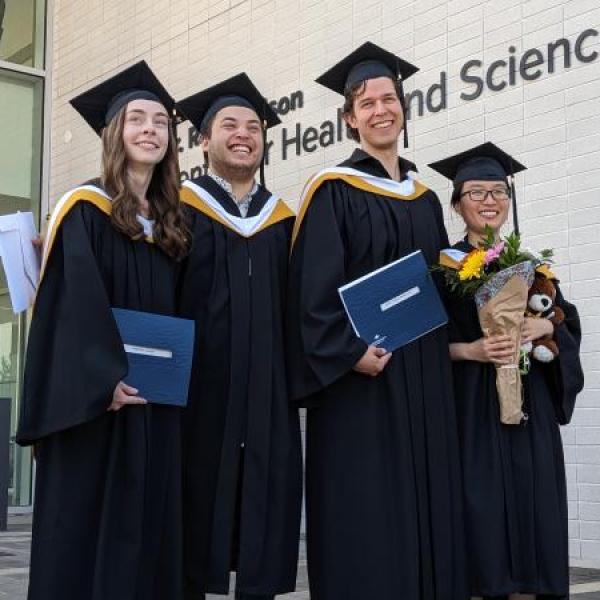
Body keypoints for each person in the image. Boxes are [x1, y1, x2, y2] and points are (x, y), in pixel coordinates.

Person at [286, 42, 468, 600]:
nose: (381, 110)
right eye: (366, 103)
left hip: (425, 377)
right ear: (349, 119)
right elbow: (310, 296)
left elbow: (438, 289)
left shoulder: (425, 198)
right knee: (369, 503)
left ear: (404, 110)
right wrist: (349, 352)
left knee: (428, 496)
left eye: (389, 99)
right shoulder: (331, 192)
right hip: (365, 379)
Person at [16, 61, 190, 600]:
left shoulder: (168, 223)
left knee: (147, 533)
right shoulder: (83, 209)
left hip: (153, 403)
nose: (149, 130)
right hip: (98, 407)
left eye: (160, 122)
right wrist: (102, 381)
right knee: (91, 534)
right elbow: (71, 309)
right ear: (114, 133)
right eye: (137, 119)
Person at [429, 142, 584, 600]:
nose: (489, 200)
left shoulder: (532, 268)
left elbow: (566, 325)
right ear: (457, 204)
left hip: (529, 414)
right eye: (476, 192)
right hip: (472, 415)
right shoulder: (440, 271)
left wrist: (545, 323)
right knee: (483, 518)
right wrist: (470, 350)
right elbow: (422, 348)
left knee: (533, 512)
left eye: (498, 191)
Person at [175, 73, 302, 600]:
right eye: (229, 124)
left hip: (268, 395)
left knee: (264, 506)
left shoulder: (284, 219)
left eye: (253, 126)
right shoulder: (179, 207)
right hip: (197, 393)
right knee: (191, 506)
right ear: (204, 140)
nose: (243, 133)